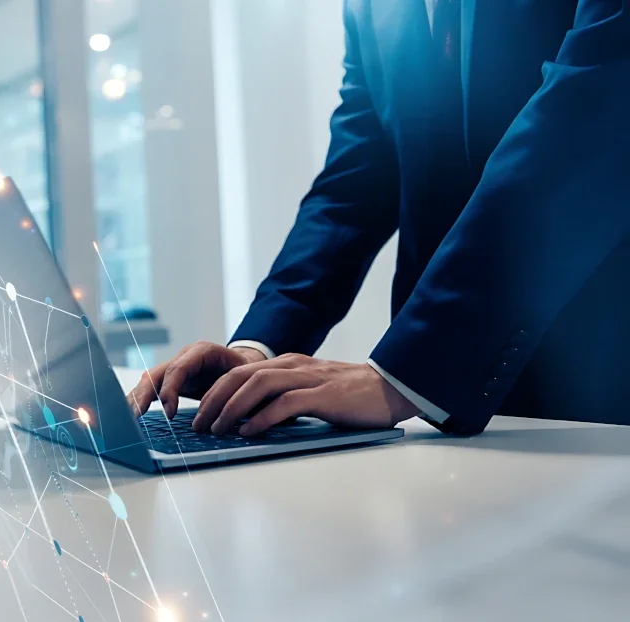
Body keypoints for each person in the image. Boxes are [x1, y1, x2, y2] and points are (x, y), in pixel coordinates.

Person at [128, 0, 630, 437]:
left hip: (600, 392)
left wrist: (410, 372)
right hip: (446, 423)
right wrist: (258, 348)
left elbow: (587, 125)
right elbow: (352, 189)